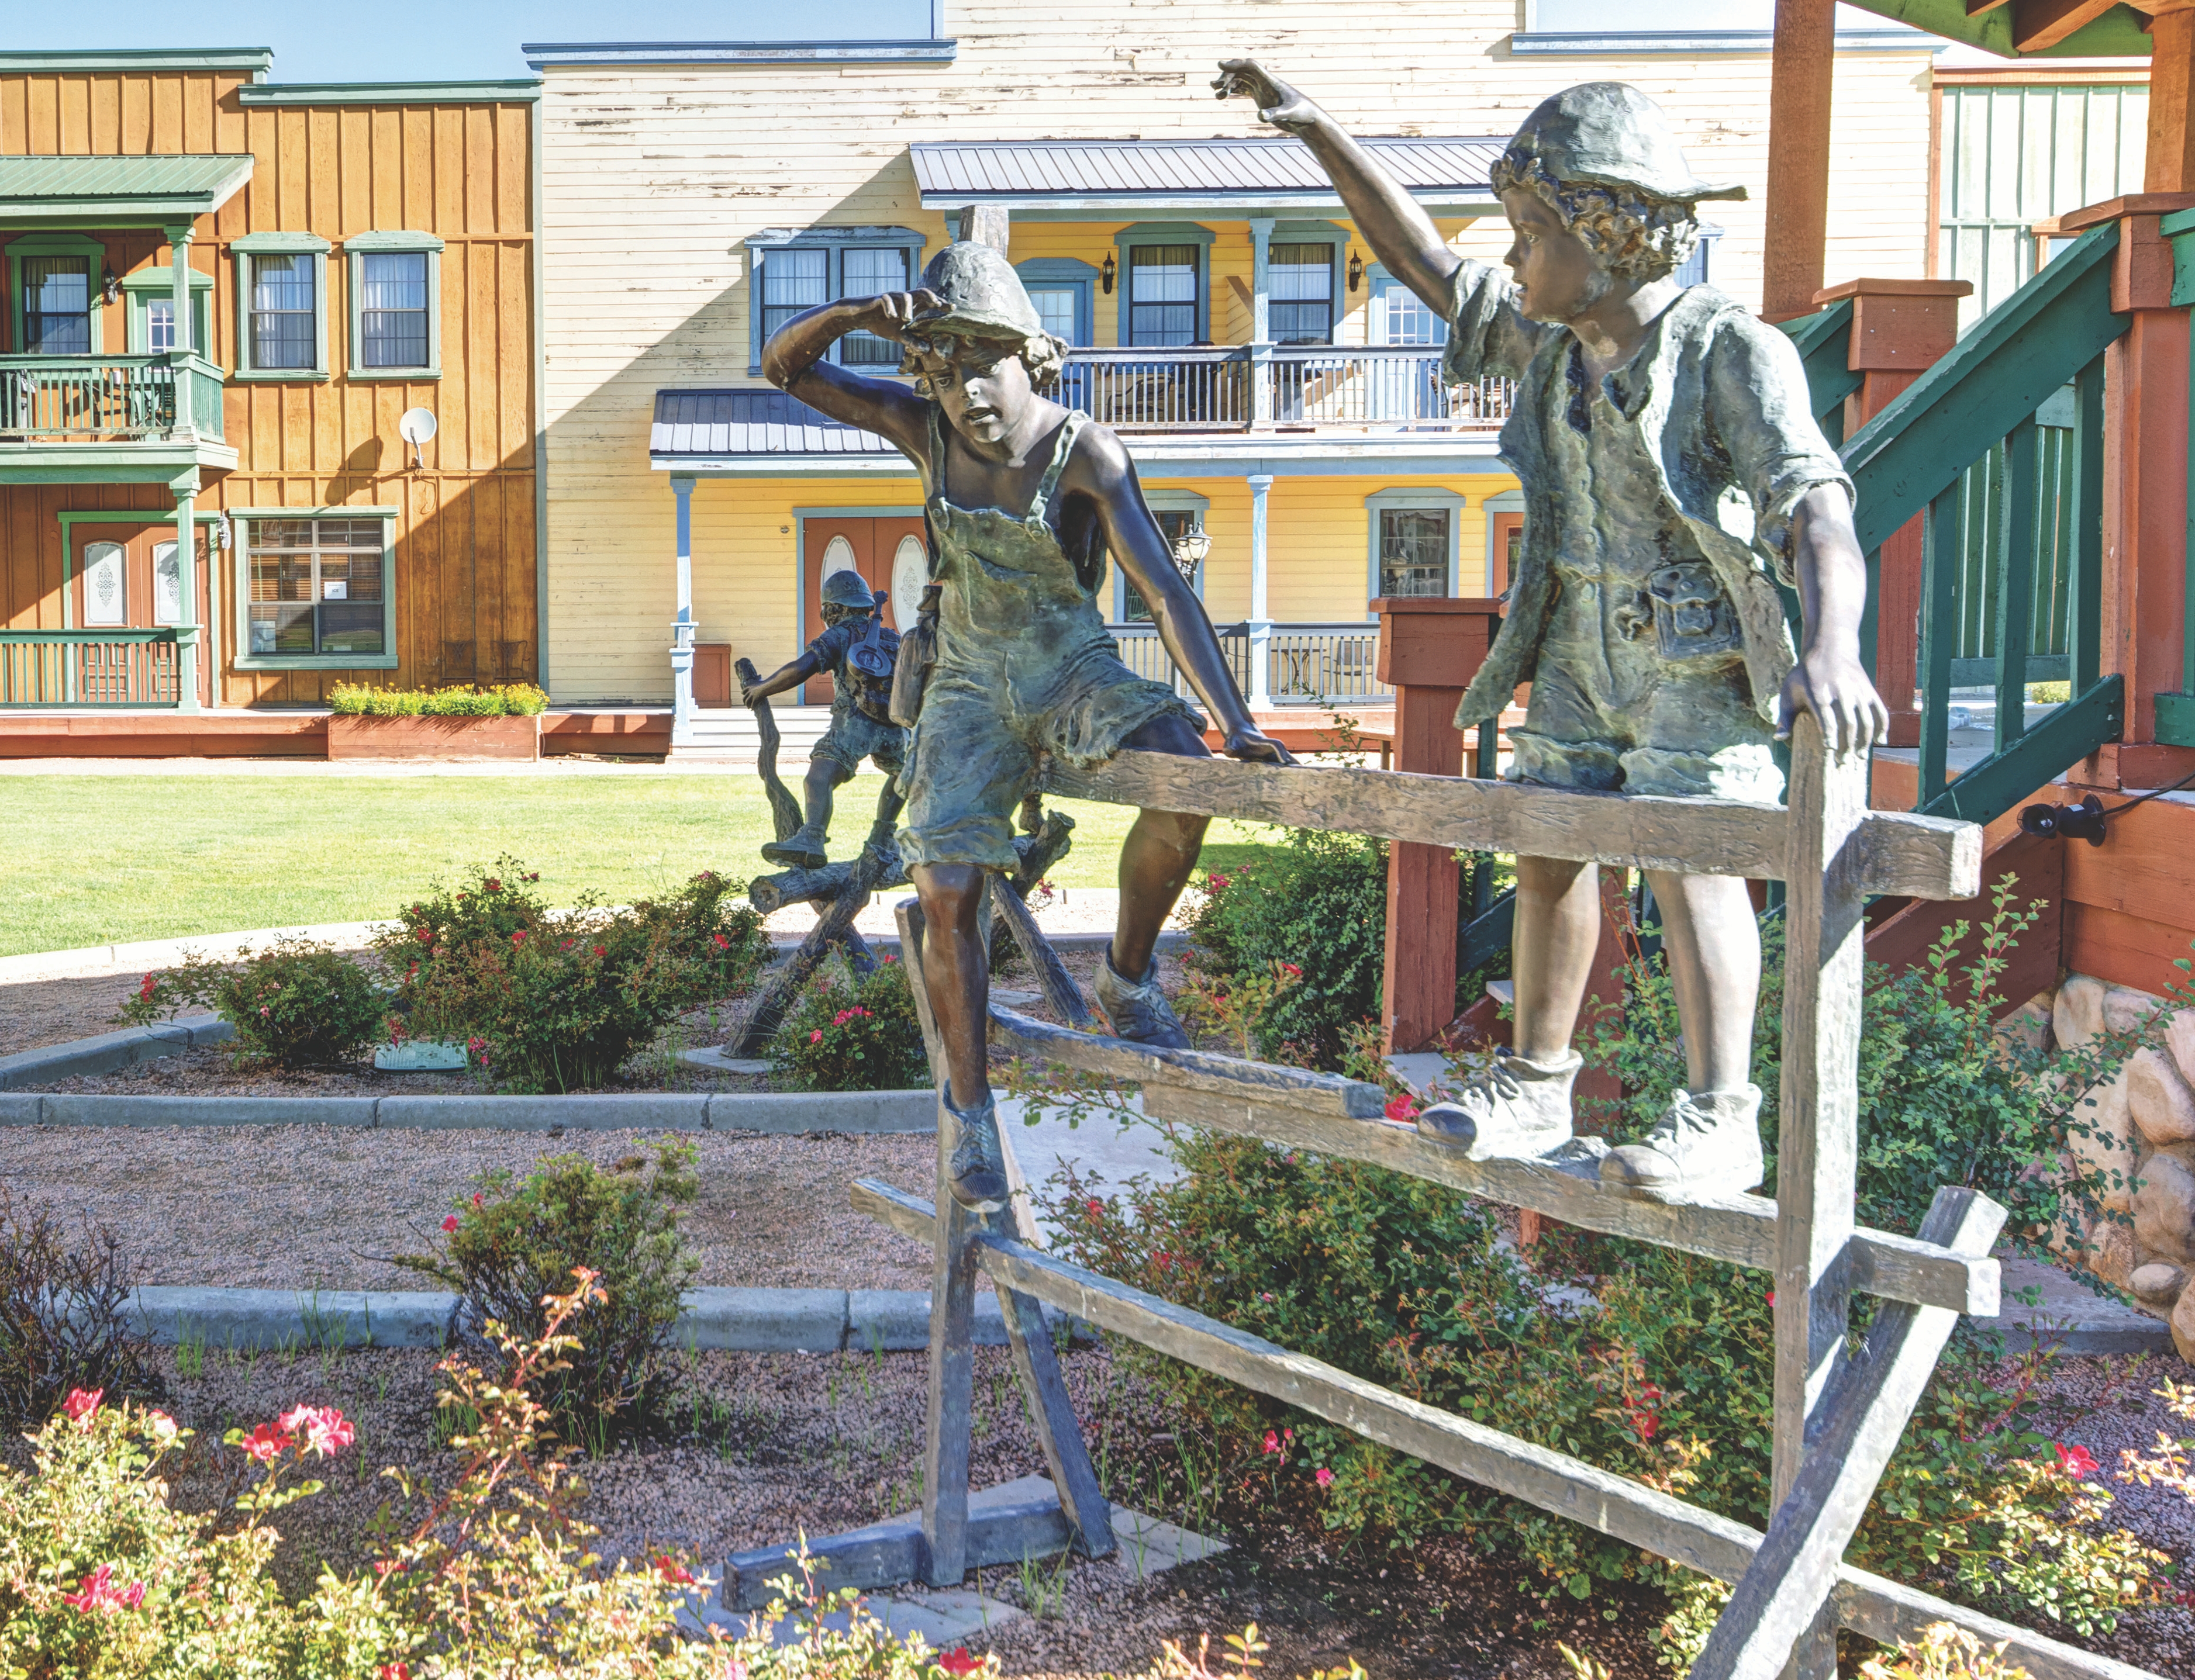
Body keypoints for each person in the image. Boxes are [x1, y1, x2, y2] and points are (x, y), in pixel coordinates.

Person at [1212, 61, 1887, 1204]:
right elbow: (1424, 261)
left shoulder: (1728, 346)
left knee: (1695, 855)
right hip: (1573, 645)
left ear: (1609, 230)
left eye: (1529, 233)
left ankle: (1721, 1118)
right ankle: (1537, 1084)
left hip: (1690, 650)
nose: (1513, 259)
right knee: (1547, 844)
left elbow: (1817, 502)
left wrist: (1832, 646)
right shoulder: (1549, 347)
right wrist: (1324, 132)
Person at [762, 240, 1292, 1207]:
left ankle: (1128, 980)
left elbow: (1163, 588)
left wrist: (1235, 721)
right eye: (944, 367)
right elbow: (784, 367)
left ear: (1033, 358)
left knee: (1185, 788)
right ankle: (970, 1114)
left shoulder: (1084, 450)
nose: (968, 391)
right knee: (948, 882)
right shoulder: (920, 429)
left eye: (985, 364)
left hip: (1070, 667)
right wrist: (853, 316)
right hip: (968, 680)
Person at [739, 568, 907, 868]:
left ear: (836, 609)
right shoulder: (890, 636)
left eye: (828, 610)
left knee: (818, 778)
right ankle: (883, 835)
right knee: (900, 775)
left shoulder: (839, 634)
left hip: (854, 722)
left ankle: (812, 838)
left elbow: (802, 668)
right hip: (895, 724)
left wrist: (761, 688)